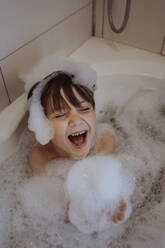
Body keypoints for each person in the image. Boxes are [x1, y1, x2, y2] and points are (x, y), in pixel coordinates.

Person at [26, 63, 126, 224]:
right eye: (60, 115)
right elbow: (50, 202)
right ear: (44, 126)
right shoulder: (41, 158)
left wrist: (110, 199)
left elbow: (108, 178)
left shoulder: (105, 140)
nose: (76, 120)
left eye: (84, 110)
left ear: (94, 113)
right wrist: (74, 212)